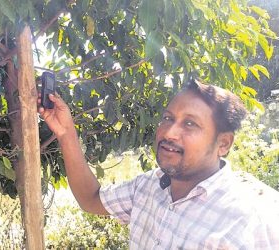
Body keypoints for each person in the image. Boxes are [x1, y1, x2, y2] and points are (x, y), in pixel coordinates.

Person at [38, 79, 279, 249]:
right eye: (168, 118)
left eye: (190, 124)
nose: (169, 132)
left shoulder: (253, 219)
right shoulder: (149, 186)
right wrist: (66, 131)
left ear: (223, 143)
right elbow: (90, 199)